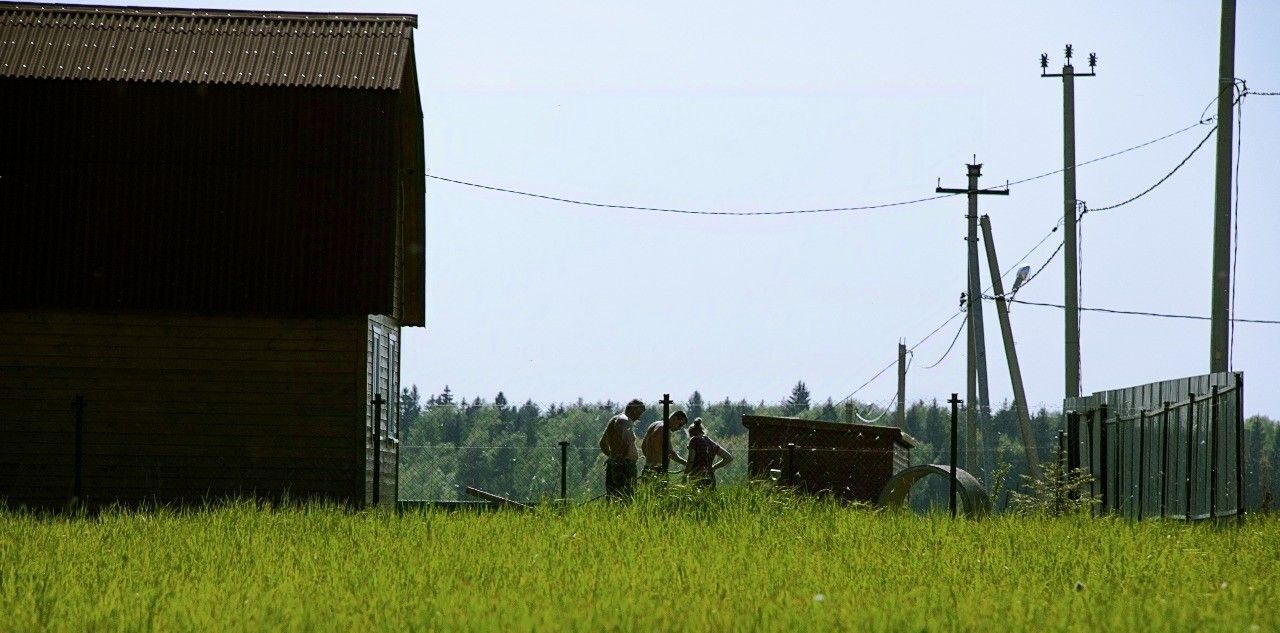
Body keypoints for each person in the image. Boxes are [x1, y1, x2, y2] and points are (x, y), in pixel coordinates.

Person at [599, 399, 644, 497]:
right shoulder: (625, 420)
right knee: (626, 498)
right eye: (640, 412)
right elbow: (625, 442)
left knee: (613, 496)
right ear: (633, 409)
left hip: (615, 463)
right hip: (625, 467)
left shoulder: (614, 419)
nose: (639, 417)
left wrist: (613, 458)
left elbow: (602, 443)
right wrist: (621, 461)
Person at [683, 417, 733, 489]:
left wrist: (684, 477)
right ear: (702, 430)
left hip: (697, 477)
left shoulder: (693, 440)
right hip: (710, 478)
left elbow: (691, 460)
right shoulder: (710, 442)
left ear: (690, 433)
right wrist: (713, 467)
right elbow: (728, 457)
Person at [640, 410, 688, 477]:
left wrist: (650, 461)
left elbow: (643, 446)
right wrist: (687, 463)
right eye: (680, 424)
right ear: (674, 418)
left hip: (647, 467)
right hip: (657, 470)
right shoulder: (664, 430)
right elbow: (672, 453)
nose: (679, 428)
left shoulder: (654, 424)